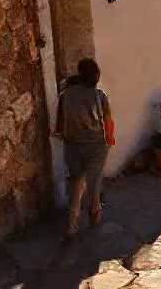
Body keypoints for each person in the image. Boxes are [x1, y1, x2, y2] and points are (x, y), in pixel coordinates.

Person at [54, 58, 114, 238]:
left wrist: (62, 134)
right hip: (96, 144)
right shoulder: (99, 95)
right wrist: (109, 140)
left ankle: (95, 209)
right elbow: (108, 121)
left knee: (80, 179)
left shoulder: (66, 95)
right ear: (95, 75)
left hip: (72, 144)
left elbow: (60, 122)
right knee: (86, 179)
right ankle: (73, 220)